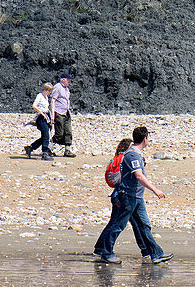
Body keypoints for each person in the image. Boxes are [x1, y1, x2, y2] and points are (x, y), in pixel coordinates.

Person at [93, 126, 171, 264]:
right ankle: (106, 252)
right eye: (148, 138)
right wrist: (155, 190)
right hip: (129, 196)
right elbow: (139, 176)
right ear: (145, 139)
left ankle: (155, 253)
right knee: (119, 224)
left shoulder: (136, 154)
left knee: (143, 225)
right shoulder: (132, 155)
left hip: (137, 197)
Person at [24, 83, 55, 161]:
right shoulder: (39, 96)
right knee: (46, 135)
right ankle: (44, 153)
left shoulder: (46, 97)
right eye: (49, 91)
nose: (49, 93)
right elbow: (34, 106)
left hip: (46, 117)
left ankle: (30, 148)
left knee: (44, 136)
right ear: (45, 90)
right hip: (41, 117)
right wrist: (41, 113)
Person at [50, 73, 75, 157]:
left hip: (66, 112)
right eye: (68, 80)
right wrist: (53, 114)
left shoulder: (66, 89)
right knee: (59, 133)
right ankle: (48, 148)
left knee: (68, 131)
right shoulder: (57, 87)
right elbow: (53, 100)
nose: (69, 81)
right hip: (58, 112)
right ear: (63, 79)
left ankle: (67, 150)